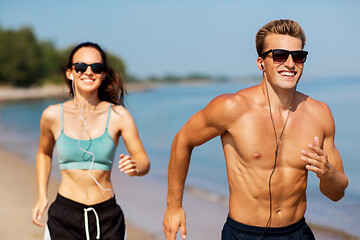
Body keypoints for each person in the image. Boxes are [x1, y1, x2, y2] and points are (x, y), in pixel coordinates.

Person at [163, 19, 348, 240]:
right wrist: (174, 206)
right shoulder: (232, 108)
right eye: (280, 55)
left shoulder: (320, 113)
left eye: (298, 57)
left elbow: (336, 193)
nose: (290, 64)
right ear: (261, 63)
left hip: (297, 233)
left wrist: (328, 174)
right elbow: (183, 140)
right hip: (244, 234)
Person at [32, 42, 150, 240]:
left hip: (107, 218)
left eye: (96, 67)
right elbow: (44, 153)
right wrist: (42, 196)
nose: (88, 72)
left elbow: (144, 161)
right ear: (70, 73)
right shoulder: (52, 115)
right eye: (80, 67)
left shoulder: (119, 115)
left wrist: (135, 166)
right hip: (64, 216)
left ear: (103, 74)